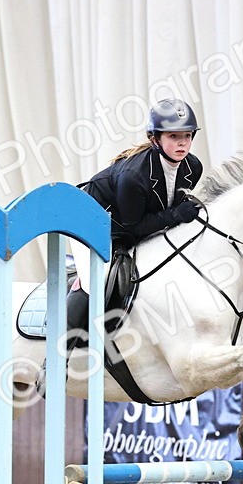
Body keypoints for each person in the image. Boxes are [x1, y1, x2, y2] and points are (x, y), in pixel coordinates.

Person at [48, 98, 205, 383]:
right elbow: (134, 228)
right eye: (173, 136)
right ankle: (55, 360)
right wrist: (176, 215)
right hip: (87, 222)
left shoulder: (192, 167)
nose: (182, 143)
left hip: (126, 226)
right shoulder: (134, 175)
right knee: (94, 279)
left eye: (187, 136)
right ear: (155, 138)